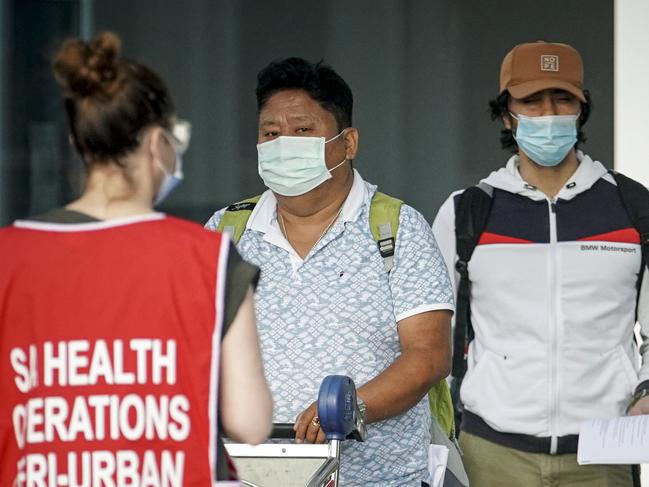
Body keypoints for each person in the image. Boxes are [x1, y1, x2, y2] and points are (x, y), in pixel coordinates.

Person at [0, 32, 271, 486]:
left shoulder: (9, 256)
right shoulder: (210, 259)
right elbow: (250, 422)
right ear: (155, 142)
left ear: (76, 141)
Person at [205, 57, 454, 487]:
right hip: (246, 475)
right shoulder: (227, 231)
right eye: (271, 133)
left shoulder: (397, 229)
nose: (284, 144)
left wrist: (351, 406)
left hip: (379, 478)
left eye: (303, 130)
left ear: (348, 142)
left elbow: (429, 355)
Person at [432, 40, 649, 487]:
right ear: (507, 114)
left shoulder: (632, 207)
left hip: (604, 449)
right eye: (531, 99)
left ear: (581, 108)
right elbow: (430, 336)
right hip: (490, 449)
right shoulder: (467, 212)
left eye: (562, 98)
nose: (548, 113)